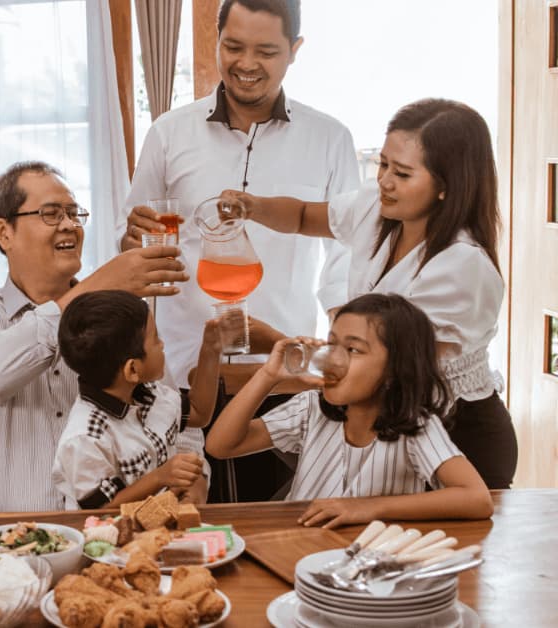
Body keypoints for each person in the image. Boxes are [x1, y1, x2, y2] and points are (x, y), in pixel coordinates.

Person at [118, 0, 360, 501]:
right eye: (233, 46)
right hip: (178, 375)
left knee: (272, 524)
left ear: (294, 51)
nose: (246, 63)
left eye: (266, 51)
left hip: (278, 374)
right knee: (178, 527)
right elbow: (131, 245)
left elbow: (344, 261)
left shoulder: (331, 138)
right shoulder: (168, 132)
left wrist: (345, 355)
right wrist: (131, 240)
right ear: (216, 39)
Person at [219, 98, 515, 488]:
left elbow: (389, 368)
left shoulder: (462, 267)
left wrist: (277, 344)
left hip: (454, 434)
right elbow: (305, 216)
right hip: (390, 418)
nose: (385, 181)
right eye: (384, 163)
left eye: (403, 174)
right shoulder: (377, 211)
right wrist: (253, 207)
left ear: (446, 186)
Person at [0, 161, 198, 512]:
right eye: (50, 213)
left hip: (115, 540)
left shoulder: (114, 317)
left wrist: (195, 482)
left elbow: (172, 418)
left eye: (74, 212)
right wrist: (99, 285)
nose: (69, 225)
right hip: (10, 544)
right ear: (4, 232)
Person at [205, 294, 493, 528]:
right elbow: (220, 446)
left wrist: (366, 508)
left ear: (395, 370)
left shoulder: (415, 427)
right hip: (296, 548)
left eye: (353, 350)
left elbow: (477, 498)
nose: (334, 359)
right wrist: (269, 376)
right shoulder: (311, 408)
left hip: (366, 567)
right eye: (332, 344)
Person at [52, 290, 222, 509]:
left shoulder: (152, 393)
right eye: (155, 339)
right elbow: (101, 510)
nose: (162, 344)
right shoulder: (86, 438)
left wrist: (211, 349)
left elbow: (199, 413)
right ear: (132, 369)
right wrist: (160, 477)